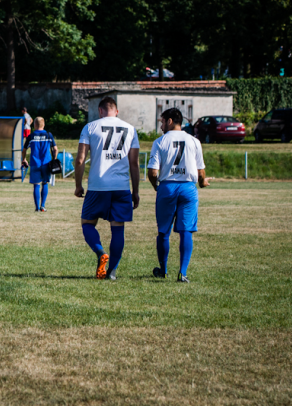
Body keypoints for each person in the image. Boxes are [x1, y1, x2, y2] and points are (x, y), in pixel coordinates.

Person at [74, 97, 140, 280]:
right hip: (121, 187)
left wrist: (78, 185)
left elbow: (80, 159)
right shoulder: (131, 129)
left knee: (87, 224)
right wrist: (135, 191)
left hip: (97, 186)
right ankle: (112, 271)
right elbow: (134, 164)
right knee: (117, 229)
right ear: (116, 111)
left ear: (100, 111)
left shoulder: (90, 127)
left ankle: (100, 252)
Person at [147, 107, 209, 283]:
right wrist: (203, 182)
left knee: (163, 232)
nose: (161, 126)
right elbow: (201, 172)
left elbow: (152, 172)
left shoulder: (160, 142)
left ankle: (163, 270)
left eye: (162, 122)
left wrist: (156, 186)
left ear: (170, 121)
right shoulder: (194, 141)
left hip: (167, 187)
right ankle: (183, 273)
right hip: (188, 188)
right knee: (186, 230)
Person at [22, 117, 57, 212]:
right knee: (45, 183)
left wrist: (24, 159)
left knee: (36, 185)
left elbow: (24, 149)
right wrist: (54, 159)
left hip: (34, 163)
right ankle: (43, 206)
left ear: (35, 125)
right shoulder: (49, 135)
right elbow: (55, 149)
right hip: (46, 163)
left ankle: (37, 207)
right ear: (44, 124)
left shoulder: (31, 136)